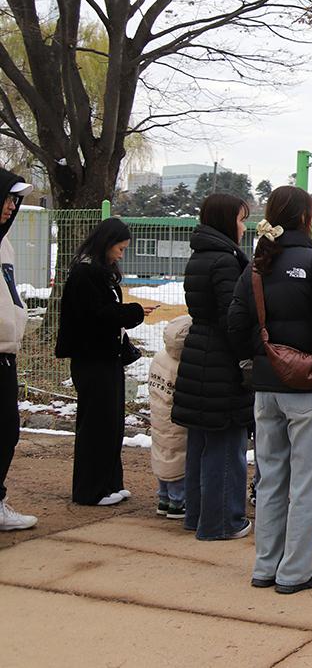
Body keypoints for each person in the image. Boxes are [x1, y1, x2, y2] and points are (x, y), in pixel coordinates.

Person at [228, 186, 312, 595]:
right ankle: (295, 571)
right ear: (306, 218)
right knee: (305, 481)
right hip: (308, 388)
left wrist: (261, 361)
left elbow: (236, 325)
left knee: (270, 478)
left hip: (265, 389)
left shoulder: (256, 266)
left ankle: (265, 565)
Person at [172, 193, 254, 541]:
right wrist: (247, 356)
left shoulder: (201, 256)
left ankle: (198, 515)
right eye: (240, 219)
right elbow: (231, 318)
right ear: (225, 221)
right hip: (221, 361)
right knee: (225, 441)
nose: (244, 227)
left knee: (202, 441)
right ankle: (223, 521)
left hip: (200, 355)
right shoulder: (226, 261)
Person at [56, 217, 150, 506]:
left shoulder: (101, 273)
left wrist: (128, 313)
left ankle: (110, 483)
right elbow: (96, 316)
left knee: (111, 424)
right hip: (92, 360)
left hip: (107, 358)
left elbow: (107, 312)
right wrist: (133, 312)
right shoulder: (85, 274)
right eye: (119, 249)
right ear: (106, 243)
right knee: (96, 425)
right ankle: (90, 490)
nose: (121, 254)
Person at [0, 169, 36, 531]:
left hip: (6, 351)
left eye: (15, 200)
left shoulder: (5, 244)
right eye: (8, 198)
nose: (12, 206)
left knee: (7, 430)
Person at [148, 315, 191, 519]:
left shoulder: (159, 357)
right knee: (178, 458)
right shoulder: (184, 365)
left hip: (158, 416)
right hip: (177, 421)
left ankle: (163, 497)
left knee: (162, 454)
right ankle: (177, 501)